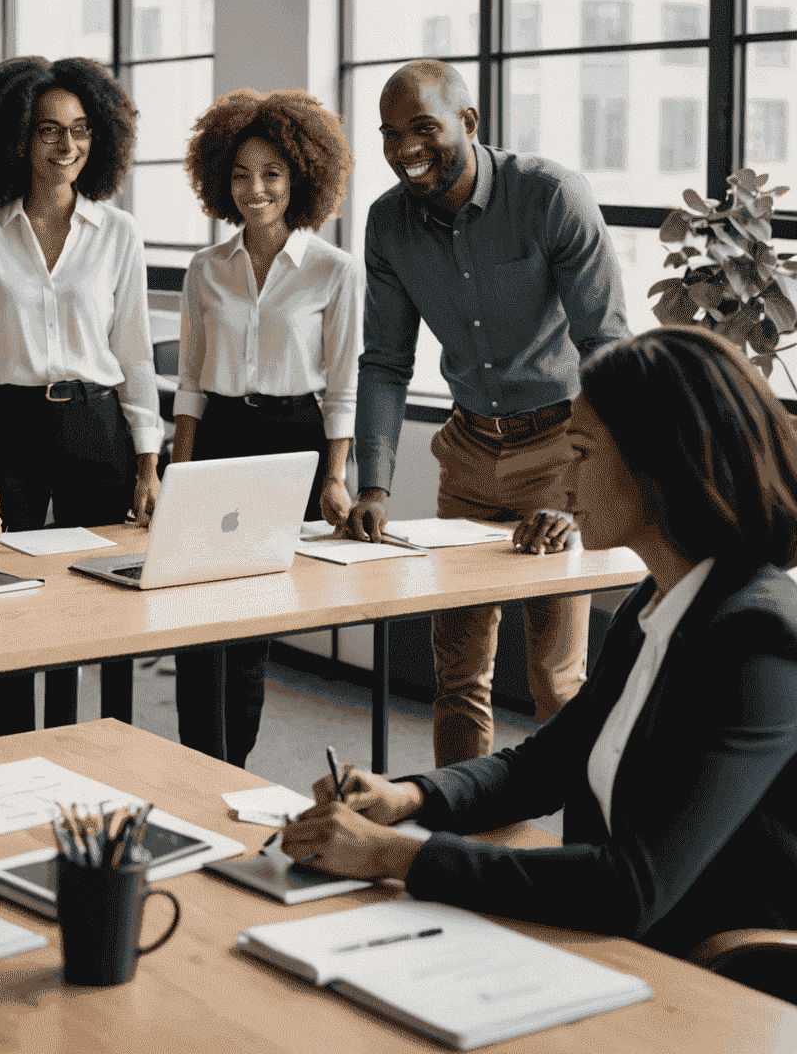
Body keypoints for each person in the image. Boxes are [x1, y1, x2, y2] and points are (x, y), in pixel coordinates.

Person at [282, 326, 797, 959]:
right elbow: (543, 768)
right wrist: (406, 797)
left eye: (582, 451)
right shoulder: (660, 597)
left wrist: (391, 854)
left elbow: (630, 887)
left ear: (659, 462)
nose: (562, 473)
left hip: (707, 973)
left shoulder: (759, 641)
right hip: (618, 943)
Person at [347, 60, 630, 765]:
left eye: (423, 128)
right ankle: (455, 844)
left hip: (560, 448)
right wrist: (373, 486)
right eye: (390, 133)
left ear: (469, 124)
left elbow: (608, 348)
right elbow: (384, 360)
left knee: (557, 681)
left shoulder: (550, 196)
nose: (404, 149)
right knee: (459, 677)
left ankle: (580, 855)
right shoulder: (387, 223)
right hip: (468, 459)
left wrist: (577, 495)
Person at [0, 57, 163, 750]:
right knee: (8, 598)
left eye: (79, 130)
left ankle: (93, 748)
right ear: (17, 138)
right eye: (48, 129)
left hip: (97, 423)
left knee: (94, 603)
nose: (65, 145)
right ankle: (13, 747)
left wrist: (148, 460)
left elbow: (134, 354)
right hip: (13, 423)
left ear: (98, 138)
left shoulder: (120, 235)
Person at [169, 88, 360, 766]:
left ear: (300, 177)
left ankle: (231, 769)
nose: (255, 189)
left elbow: (343, 387)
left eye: (272, 173)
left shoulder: (334, 271)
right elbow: (190, 383)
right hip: (218, 436)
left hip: (290, 439)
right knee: (195, 617)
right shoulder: (205, 269)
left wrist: (335, 478)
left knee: (249, 625)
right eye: (242, 173)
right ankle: (196, 762)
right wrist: (175, 473)